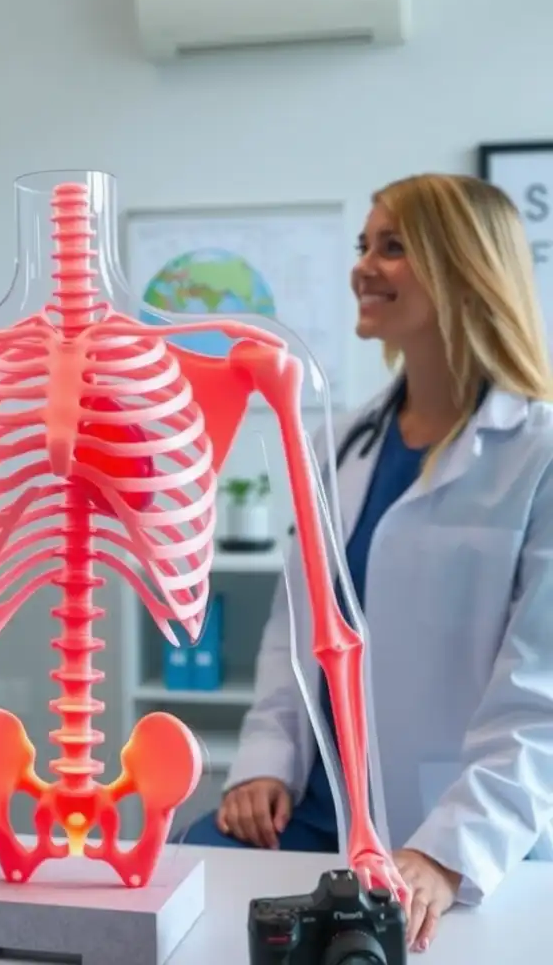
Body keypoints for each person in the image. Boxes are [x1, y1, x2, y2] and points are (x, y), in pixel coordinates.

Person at [181, 173, 553, 953]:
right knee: (187, 913)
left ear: (464, 267)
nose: (363, 267)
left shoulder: (538, 453)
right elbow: (298, 620)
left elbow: (538, 694)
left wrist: (450, 854)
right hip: (312, 810)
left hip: (448, 824)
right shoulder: (340, 443)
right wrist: (262, 762)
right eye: (363, 246)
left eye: (392, 247)